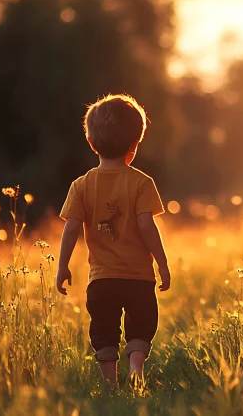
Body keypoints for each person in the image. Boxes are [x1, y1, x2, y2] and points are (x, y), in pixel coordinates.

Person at [55, 94, 171, 388]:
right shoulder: (142, 183)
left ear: (92, 142)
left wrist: (63, 266)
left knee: (104, 330)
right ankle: (135, 370)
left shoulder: (81, 185)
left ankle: (109, 384)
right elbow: (147, 225)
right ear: (134, 145)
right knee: (142, 326)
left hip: (102, 279)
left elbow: (70, 228)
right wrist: (162, 262)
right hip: (138, 279)